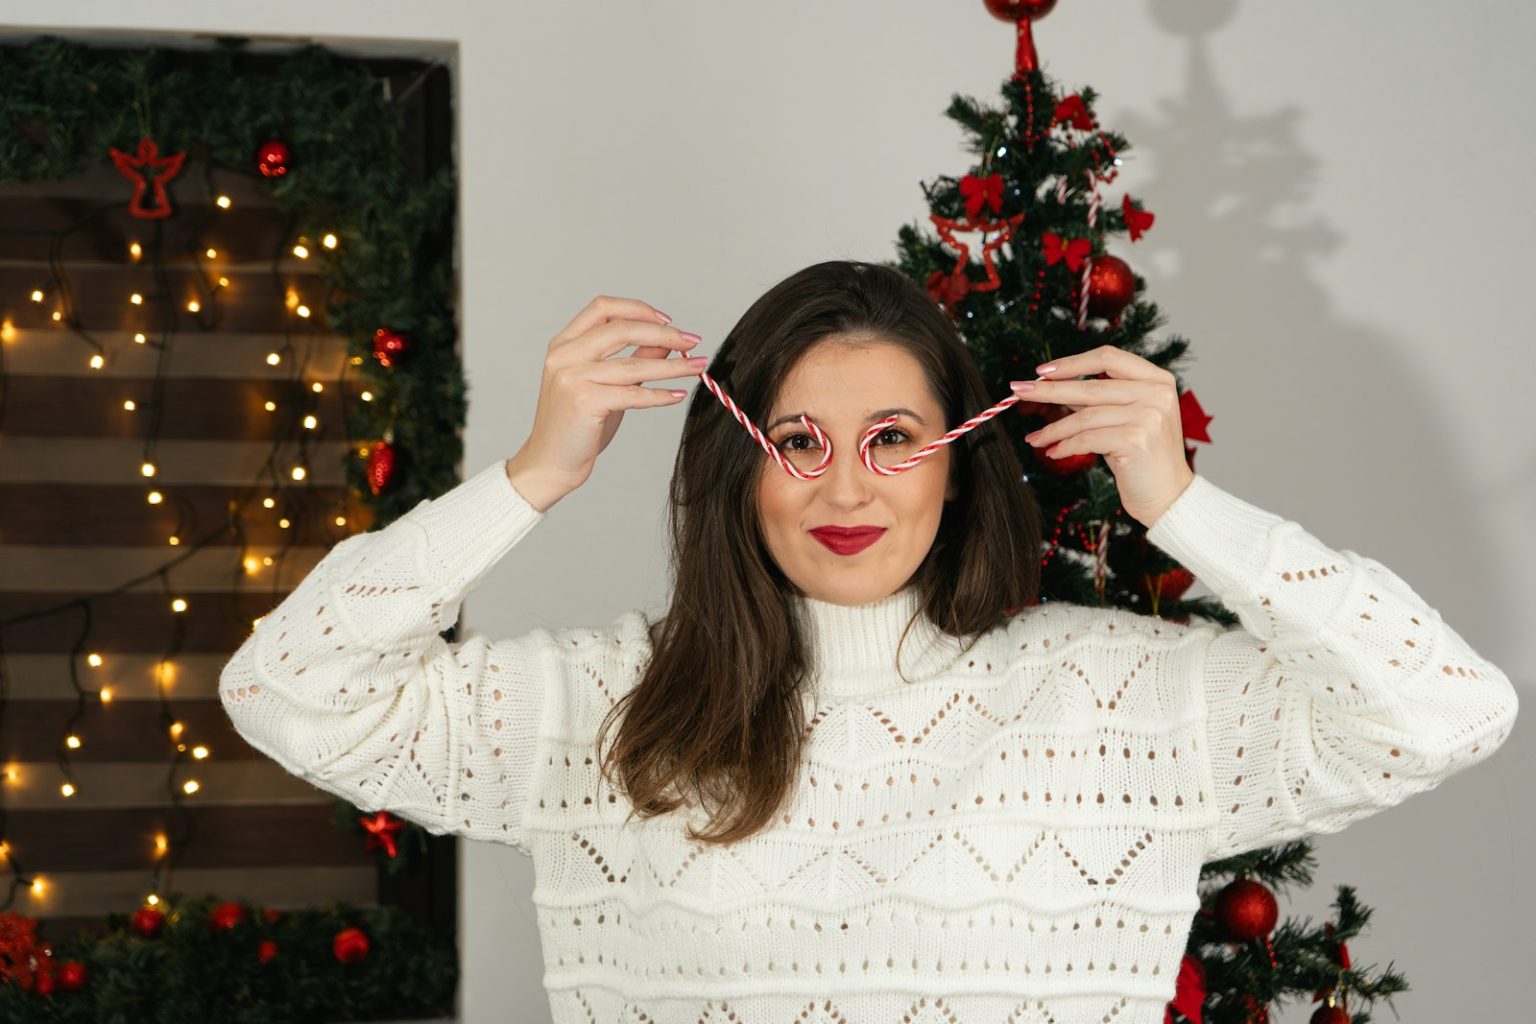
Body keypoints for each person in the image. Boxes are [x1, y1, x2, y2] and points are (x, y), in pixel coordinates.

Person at [219, 260, 1518, 1024]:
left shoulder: (1130, 697)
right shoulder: (603, 705)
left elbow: (1447, 708)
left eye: (893, 439)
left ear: (957, 461)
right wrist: (534, 476)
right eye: (798, 442)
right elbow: (288, 688)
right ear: (741, 464)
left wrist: (1183, 505)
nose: (846, 489)